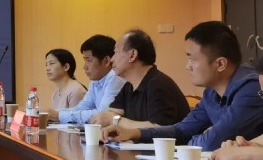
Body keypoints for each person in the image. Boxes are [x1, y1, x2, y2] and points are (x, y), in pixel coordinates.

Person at [105, 21, 263, 151]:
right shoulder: (211, 92)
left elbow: (210, 143)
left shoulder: (251, 88)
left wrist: (196, 139)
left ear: (220, 64)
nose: (187, 66)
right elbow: (182, 130)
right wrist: (133, 133)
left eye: (192, 59)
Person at [91, 29, 189, 129]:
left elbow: (158, 129)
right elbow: (111, 113)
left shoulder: (158, 85)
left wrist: (115, 121)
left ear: (132, 55)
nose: (112, 59)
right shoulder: (129, 86)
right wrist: (110, 119)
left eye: (116, 52)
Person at [49, 35, 126, 124]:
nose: (84, 66)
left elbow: (103, 113)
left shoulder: (115, 78)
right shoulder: (96, 79)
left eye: (88, 60)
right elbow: (83, 107)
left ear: (106, 61)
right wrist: (54, 113)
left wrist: (60, 116)